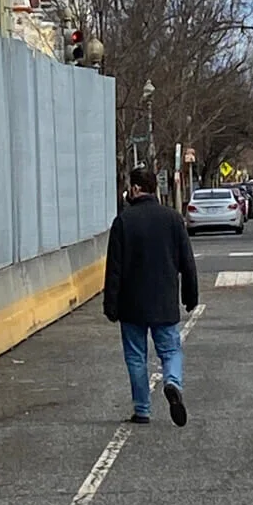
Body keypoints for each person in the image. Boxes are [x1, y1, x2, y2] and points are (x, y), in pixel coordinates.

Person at [103, 167, 199, 427]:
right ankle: (171, 381)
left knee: (136, 356)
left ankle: (142, 409)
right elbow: (187, 263)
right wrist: (190, 296)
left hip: (131, 303)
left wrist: (110, 305)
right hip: (164, 300)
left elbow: (114, 268)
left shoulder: (123, 221)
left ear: (134, 189)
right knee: (170, 350)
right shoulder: (172, 219)